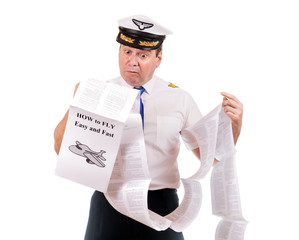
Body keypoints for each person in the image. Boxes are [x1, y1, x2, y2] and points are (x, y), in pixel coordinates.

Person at [54, 15, 243, 240]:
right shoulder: (99, 92)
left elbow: (210, 157)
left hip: (162, 206)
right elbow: (60, 148)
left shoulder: (179, 98)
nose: (132, 61)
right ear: (119, 52)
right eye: (127, 52)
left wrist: (235, 126)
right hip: (109, 204)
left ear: (158, 58)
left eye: (143, 55)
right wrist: (76, 108)